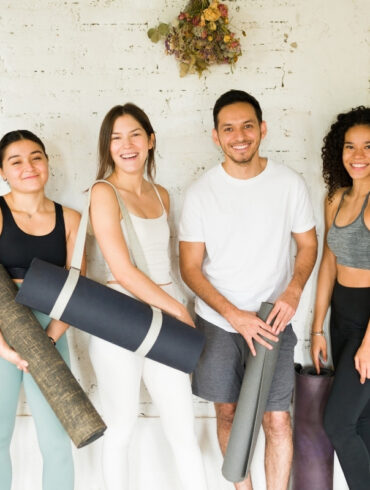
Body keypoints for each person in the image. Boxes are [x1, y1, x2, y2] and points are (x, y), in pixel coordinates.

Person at [179, 89, 317, 490]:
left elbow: (308, 246)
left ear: (262, 129)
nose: (239, 136)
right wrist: (233, 315)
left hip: (272, 320)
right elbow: (190, 268)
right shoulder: (200, 193)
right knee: (228, 414)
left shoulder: (289, 183)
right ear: (215, 136)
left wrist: (292, 292)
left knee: (277, 419)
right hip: (219, 324)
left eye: (247, 126)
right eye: (229, 129)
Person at [88, 103, 208, 490]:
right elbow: (122, 270)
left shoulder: (162, 195)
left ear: (151, 140)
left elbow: (164, 264)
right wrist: (178, 309)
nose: (127, 145)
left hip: (166, 319)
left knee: (183, 431)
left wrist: (175, 307)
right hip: (120, 319)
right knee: (121, 427)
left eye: (135, 134)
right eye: (116, 138)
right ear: (108, 148)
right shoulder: (103, 193)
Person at [0, 130, 81, 490]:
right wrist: (3, 348)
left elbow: (79, 289)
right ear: (3, 172)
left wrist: (49, 338)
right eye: (15, 161)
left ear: (47, 163)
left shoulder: (73, 219)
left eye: (36, 157)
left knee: (56, 440)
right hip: (2, 329)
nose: (28, 167)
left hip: (51, 329)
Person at [310, 106, 370, 490]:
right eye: (350, 146)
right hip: (341, 317)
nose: (358, 155)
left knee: (338, 423)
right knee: (361, 421)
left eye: (368, 146)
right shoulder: (336, 198)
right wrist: (316, 329)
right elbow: (328, 263)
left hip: (368, 321)